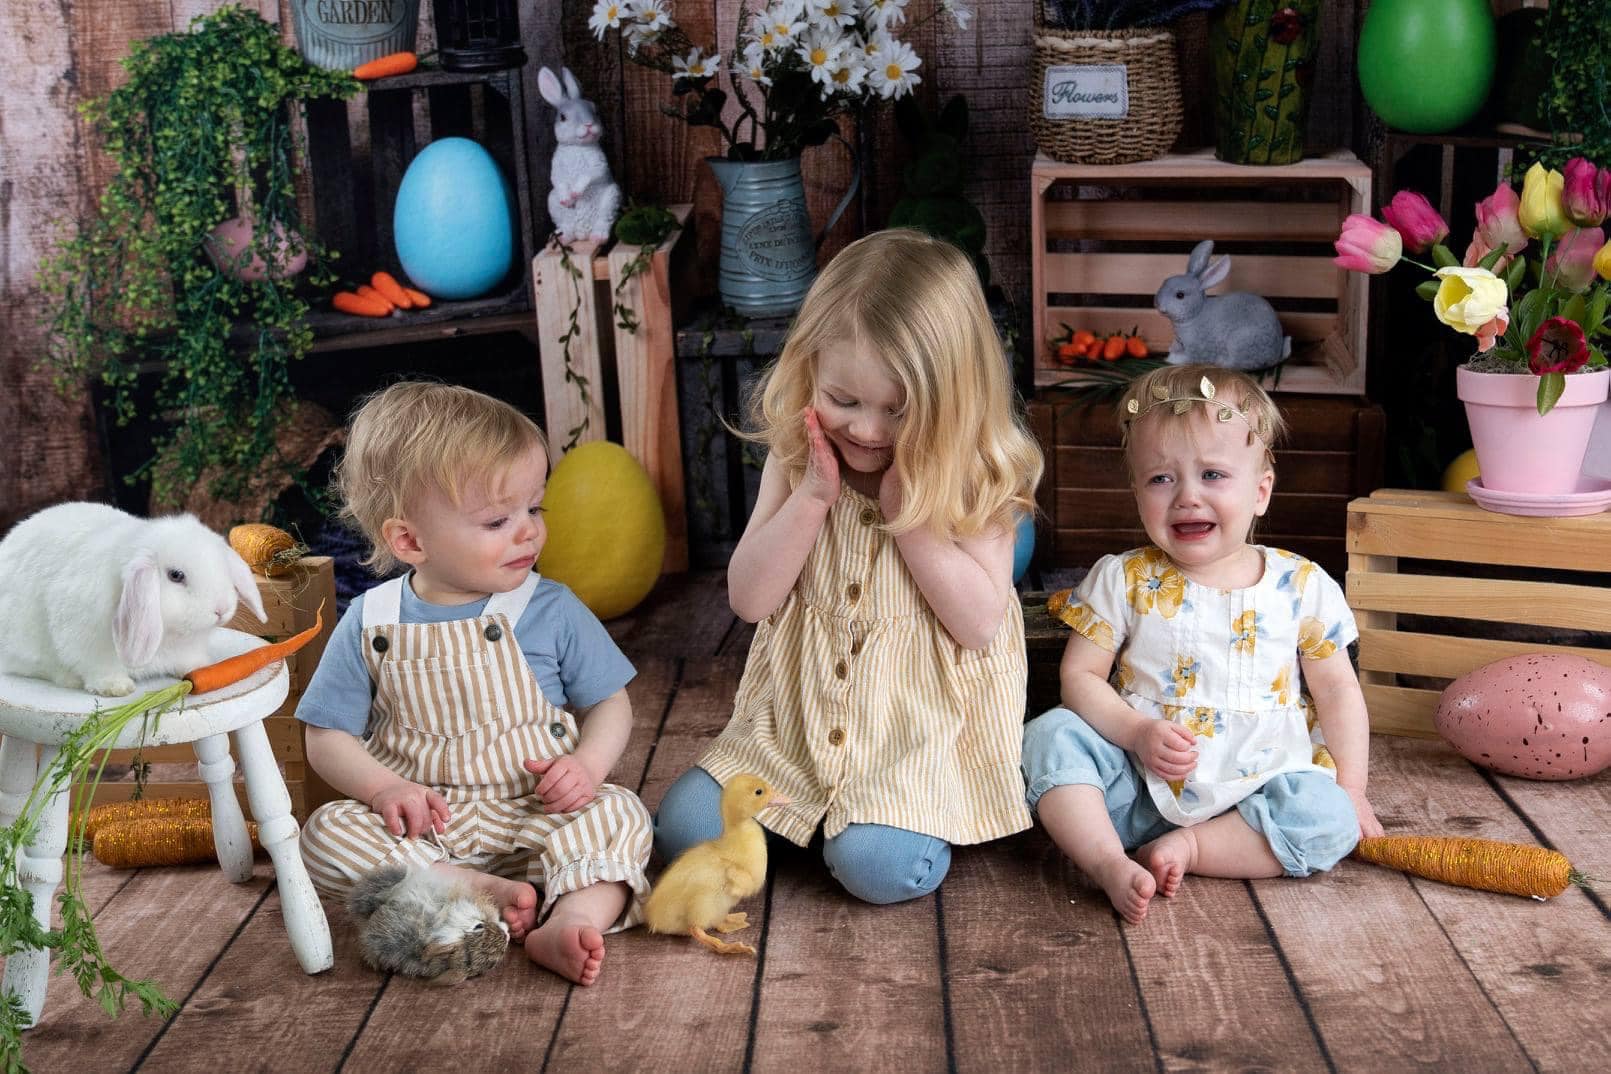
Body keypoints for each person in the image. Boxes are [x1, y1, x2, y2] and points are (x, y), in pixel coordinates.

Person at [654, 229, 1045, 903]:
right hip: (795, 728)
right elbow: (749, 599)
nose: (866, 430)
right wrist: (810, 499)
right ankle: (805, 819)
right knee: (683, 832)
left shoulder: (978, 473)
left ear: (955, 394)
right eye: (844, 400)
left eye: (898, 410)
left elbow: (978, 624)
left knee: (874, 867)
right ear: (810, 373)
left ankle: (887, 828)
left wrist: (912, 520)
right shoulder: (798, 458)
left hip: (911, 735)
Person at [296, 381, 651, 986]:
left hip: (535, 812)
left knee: (622, 814)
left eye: (533, 509)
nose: (528, 533)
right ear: (409, 540)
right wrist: (384, 790)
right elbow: (326, 737)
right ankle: (459, 888)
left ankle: (570, 918)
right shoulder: (371, 620)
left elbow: (610, 703)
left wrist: (588, 768)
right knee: (326, 835)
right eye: (497, 520)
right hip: (425, 828)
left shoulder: (550, 608)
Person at [1021, 364, 1383, 924]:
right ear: (1136, 491)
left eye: (1213, 474)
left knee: (1328, 817)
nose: (1187, 496)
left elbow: (1338, 692)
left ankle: (1192, 849)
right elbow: (1079, 679)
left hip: (1257, 797)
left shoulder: (1301, 586)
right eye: (1161, 479)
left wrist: (1353, 789)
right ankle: (1106, 861)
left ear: (1261, 491)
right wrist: (1137, 734)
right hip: (1138, 785)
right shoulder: (1125, 579)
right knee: (1049, 737)